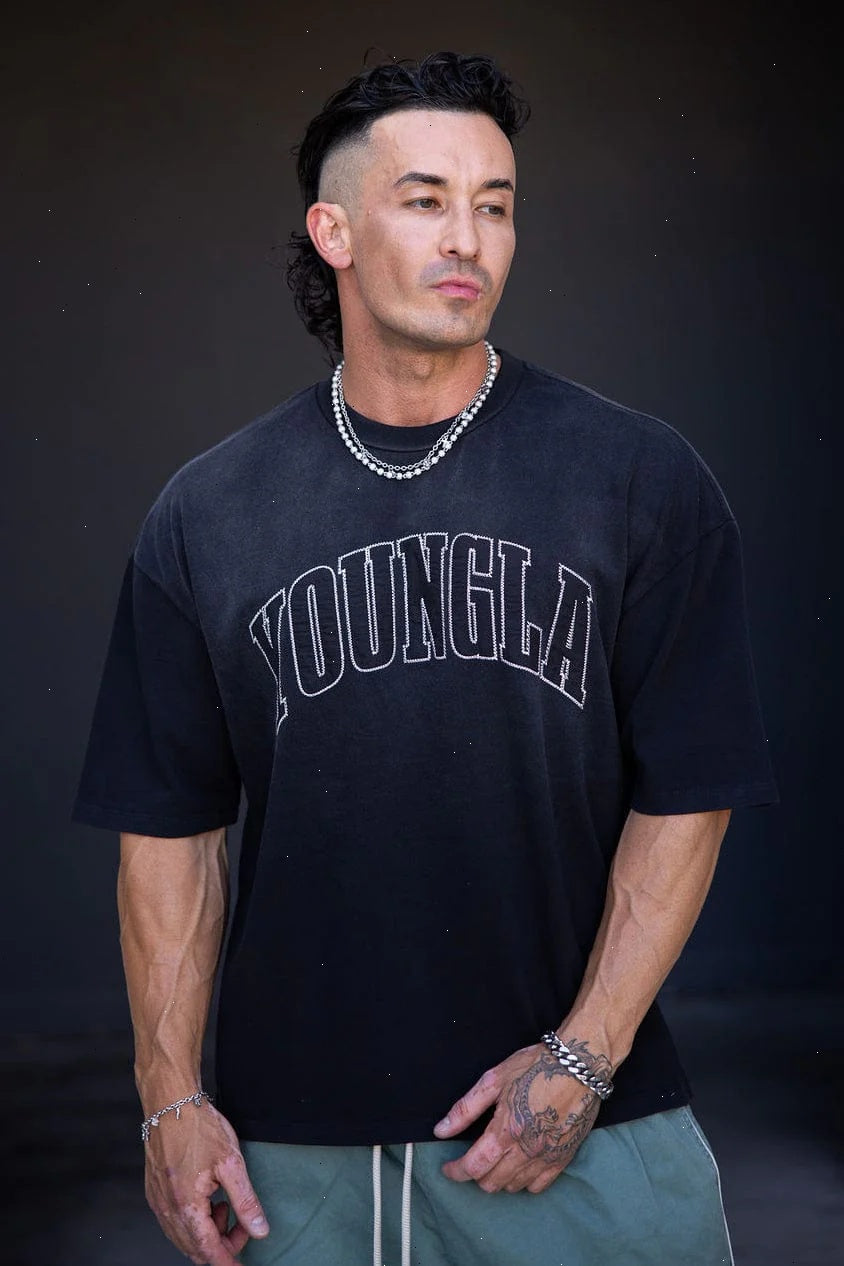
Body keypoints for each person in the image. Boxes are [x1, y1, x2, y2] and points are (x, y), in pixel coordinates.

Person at [74, 51, 778, 1266]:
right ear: (334, 231)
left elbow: (689, 797)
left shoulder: (637, 481)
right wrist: (170, 1100)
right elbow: (169, 836)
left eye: (495, 205)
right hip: (289, 1154)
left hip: (577, 1123)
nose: (469, 238)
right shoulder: (208, 514)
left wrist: (581, 1059)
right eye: (426, 200)